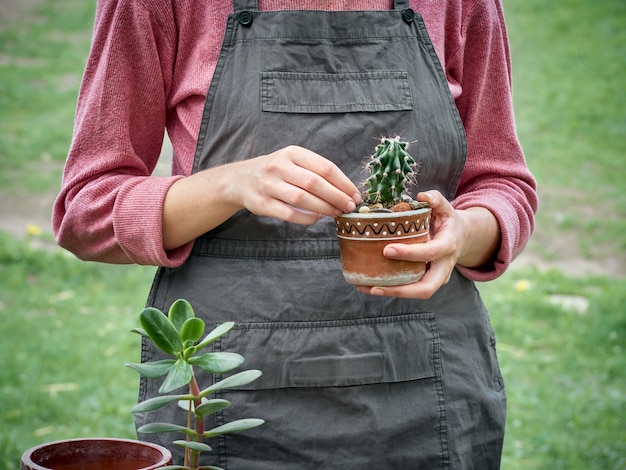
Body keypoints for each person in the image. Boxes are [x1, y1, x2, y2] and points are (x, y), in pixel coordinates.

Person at [53, 0, 538, 468]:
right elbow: (87, 210)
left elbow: (502, 184)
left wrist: (462, 233)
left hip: (427, 388)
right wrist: (228, 185)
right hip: (228, 394)